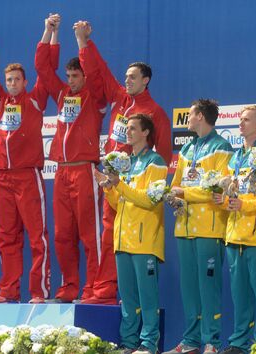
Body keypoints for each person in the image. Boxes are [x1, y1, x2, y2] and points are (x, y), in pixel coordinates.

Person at [76, 21, 172, 304]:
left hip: (139, 189)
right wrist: (83, 42)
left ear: (146, 81)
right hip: (112, 182)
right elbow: (98, 71)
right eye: (126, 77)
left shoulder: (154, 113)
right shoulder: (119, 99)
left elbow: (164, 156)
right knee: (107, 233)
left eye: (133, 77)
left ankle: (120, 296)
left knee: (129, 243)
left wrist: (146, 183)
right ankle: (103, 288)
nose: (127, 80)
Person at [0, 21, 51, 304]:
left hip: (28, 176)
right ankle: (8, 290)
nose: (12, 83)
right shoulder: (0, 101)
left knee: (37, 236)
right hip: (2, 177)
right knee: (6, 237)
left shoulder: (36, 100)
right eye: (9, 80)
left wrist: (49, 31)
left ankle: (38, 291)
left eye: (17, 79)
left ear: (25, 82)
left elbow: (44, 66)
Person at [35, 14, 106, 303]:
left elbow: (95, 69)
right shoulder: (63, 94)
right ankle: (68, 288)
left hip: (85, 171)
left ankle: (95, 289)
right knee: (63, 235)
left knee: (90, 236)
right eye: (69, 76)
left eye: (76, 76)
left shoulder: (95, 97)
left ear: (85, 77)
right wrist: (49, 32)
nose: (71, 81)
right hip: (62, 172)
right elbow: (41, 67)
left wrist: (82, 41)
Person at [164, 99, 233, 354]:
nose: (187, 118)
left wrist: (185, 193)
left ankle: (212, 343)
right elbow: (176, 184)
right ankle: (191, 341)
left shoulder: (222, 147)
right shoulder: (186, 149)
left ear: (201, 116)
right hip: (184, 227)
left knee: (209, 289)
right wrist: (173, 196)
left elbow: (219, 189)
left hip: (210, 228)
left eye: (190, 114)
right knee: (189, 289)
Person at [95, 113, 167, 354]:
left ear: (146, 132)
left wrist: (120, 184)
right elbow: (120, 203)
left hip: (145, 241)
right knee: (127, 298)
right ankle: (128, 342)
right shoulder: (126, 163)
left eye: (134, 128)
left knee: (147, 297)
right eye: (128, 128)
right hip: (123, 239)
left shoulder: (155, 162)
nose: (129, 132)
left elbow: (150, 201)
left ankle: (148, 343)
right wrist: (108, 188)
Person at [212, 105, 256, 354]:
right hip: (234, 235)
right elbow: (231, 193)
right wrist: (221, 195)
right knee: (240, 297)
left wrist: (243, 204)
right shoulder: (235, 157)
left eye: (246, 119)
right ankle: (239, 342)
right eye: (239, 119)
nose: (240, 123)